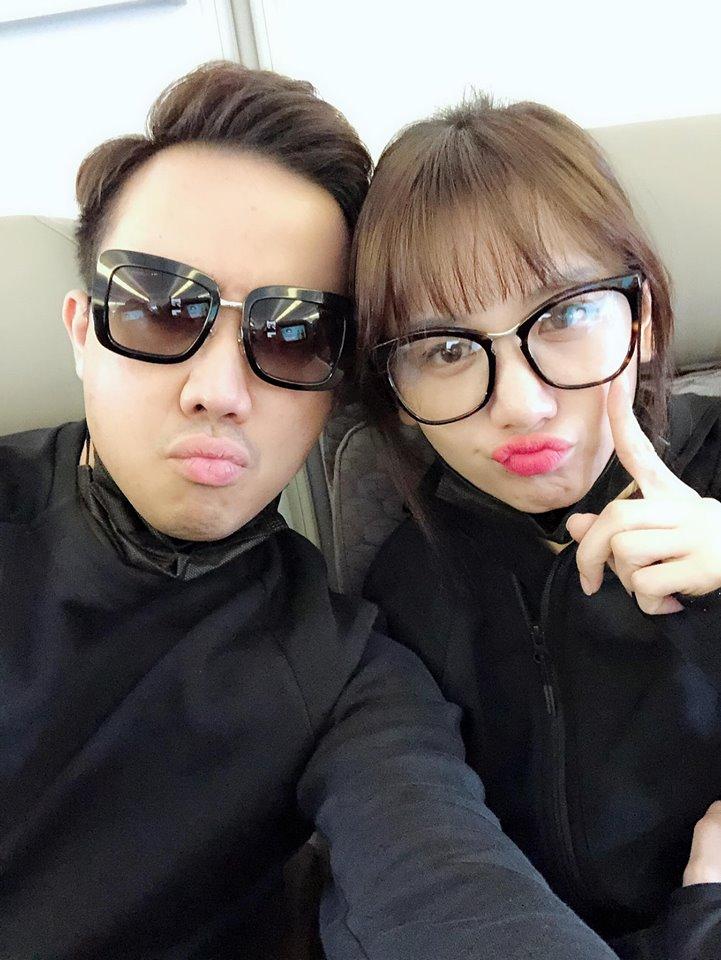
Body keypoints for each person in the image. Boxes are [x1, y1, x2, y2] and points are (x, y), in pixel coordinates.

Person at [0, 64, 622, 960]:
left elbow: (445, 879)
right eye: (161, 310)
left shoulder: (343, 671)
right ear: (81, 332)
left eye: (292, 334)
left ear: (335, 387)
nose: (219, 391)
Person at [354, 94, 721, 960]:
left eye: (563, 315)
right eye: (446, 350)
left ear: (643, 317)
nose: (521, 404)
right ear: (395, 396)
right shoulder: (399, 595)